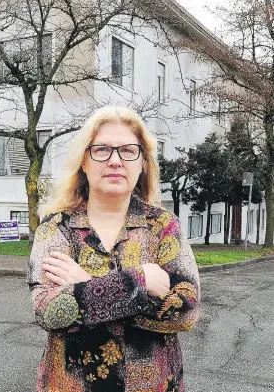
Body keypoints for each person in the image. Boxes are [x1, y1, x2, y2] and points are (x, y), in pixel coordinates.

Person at [27, 106, 200, 392]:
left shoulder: (163, 227)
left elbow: (186, 312)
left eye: (128, 151)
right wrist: (140, 282)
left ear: (142, 163)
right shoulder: (56, 228)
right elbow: (50, 311)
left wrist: (87, 286)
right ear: (84, 160)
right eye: (102, 150)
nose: (115, 160)